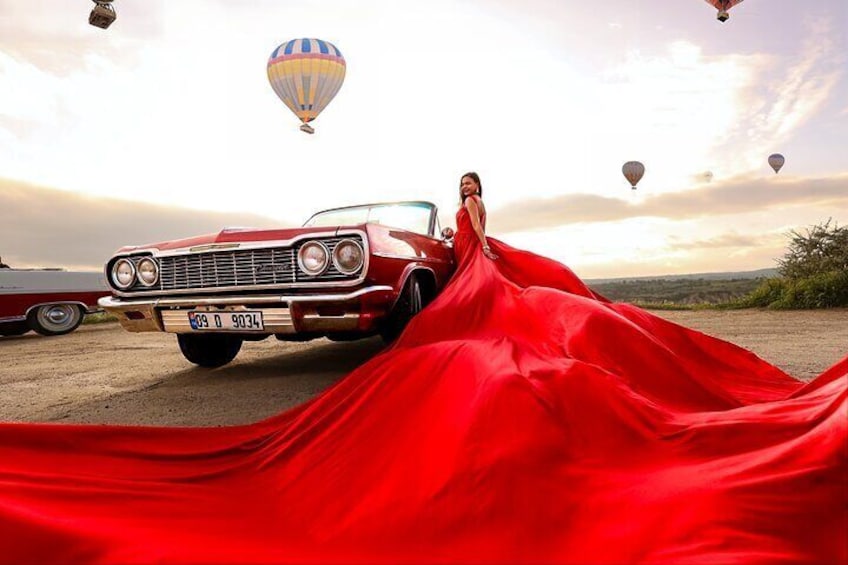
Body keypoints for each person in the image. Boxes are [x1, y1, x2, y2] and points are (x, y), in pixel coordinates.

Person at [0, 173, 845, 564]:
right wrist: (204, 305)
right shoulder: (323, 231)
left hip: (408, 282)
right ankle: (224, 299)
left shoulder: (426, 237)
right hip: (286, 273)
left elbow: (421, 254)